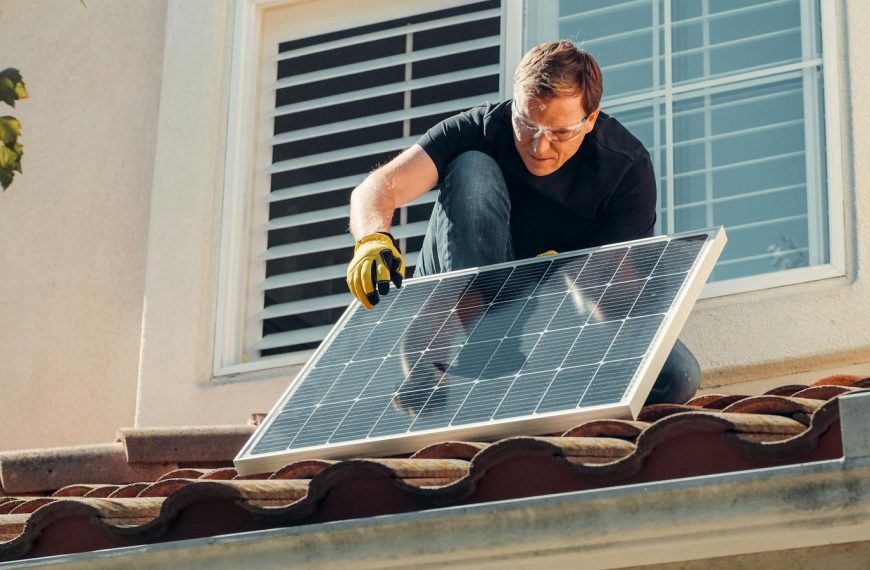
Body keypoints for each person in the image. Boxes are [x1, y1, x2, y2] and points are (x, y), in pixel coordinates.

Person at [346, 40, 700, 406]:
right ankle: (461, 339)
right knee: (472, 167)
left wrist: (577, 281)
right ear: (514, 103)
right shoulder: (481, 128)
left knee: (676, 376)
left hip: (556, 314)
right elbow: (378, 187)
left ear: (591, 119)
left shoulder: (624, 167)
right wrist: (371, 239)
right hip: (470, 298)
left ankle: (528, 360)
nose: (538, 146)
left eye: (560, 133)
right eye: (526, 124)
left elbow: (625, 306)